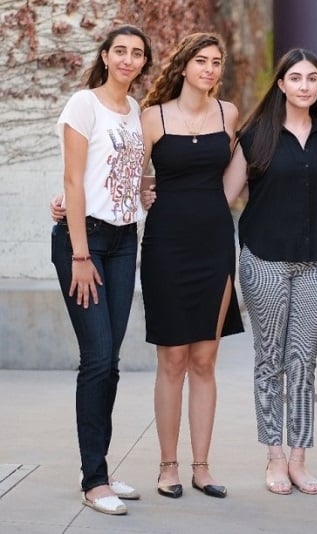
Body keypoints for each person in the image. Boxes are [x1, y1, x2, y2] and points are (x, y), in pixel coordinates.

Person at [221, 48, 317, 496]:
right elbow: (225, 196)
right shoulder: (256, 135)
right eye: (296, 77)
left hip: (315, 264)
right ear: (282, 84)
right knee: (270, 361)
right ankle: (273, 456)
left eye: (312, 78)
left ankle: (299, 458)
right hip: (264, 261)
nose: (305, 85)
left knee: (303, 363)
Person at [50, 24, 152, 515]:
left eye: (137, 53)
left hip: (123, 239)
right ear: (106, 56)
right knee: (96, 358)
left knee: (109, 362)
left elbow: (123, 176)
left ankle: (101, 469)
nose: (128, 60)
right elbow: (72, 180)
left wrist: (143, 193)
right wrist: (79, 254)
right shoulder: (82, 104)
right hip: (85, 243)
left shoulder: (134, 111)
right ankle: (94, 482)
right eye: (121, 51)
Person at [139, 32, 243, 500]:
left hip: (215, 244)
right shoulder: (152, 118)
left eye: (216, 62)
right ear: (183, 66)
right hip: (166, 246)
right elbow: (128, 178)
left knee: (204, 359)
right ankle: (167, 466)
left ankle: (202, 467)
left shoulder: (228, 114)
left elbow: (234, 177)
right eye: (201, 61)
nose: (209, 69)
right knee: (173, 360)